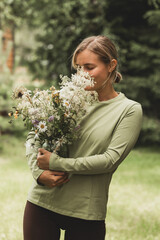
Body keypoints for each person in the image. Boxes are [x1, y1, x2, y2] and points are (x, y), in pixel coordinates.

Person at [23, 35, 143, 240]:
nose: (82, 75)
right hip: (42, 203)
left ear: (111, 65)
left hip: (86, 212)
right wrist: (38, 173)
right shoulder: (66, 96)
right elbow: (34, 135)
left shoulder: (129, 110)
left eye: (89, 67)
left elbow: (110, 160)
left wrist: (58, 162)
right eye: (78, 68)